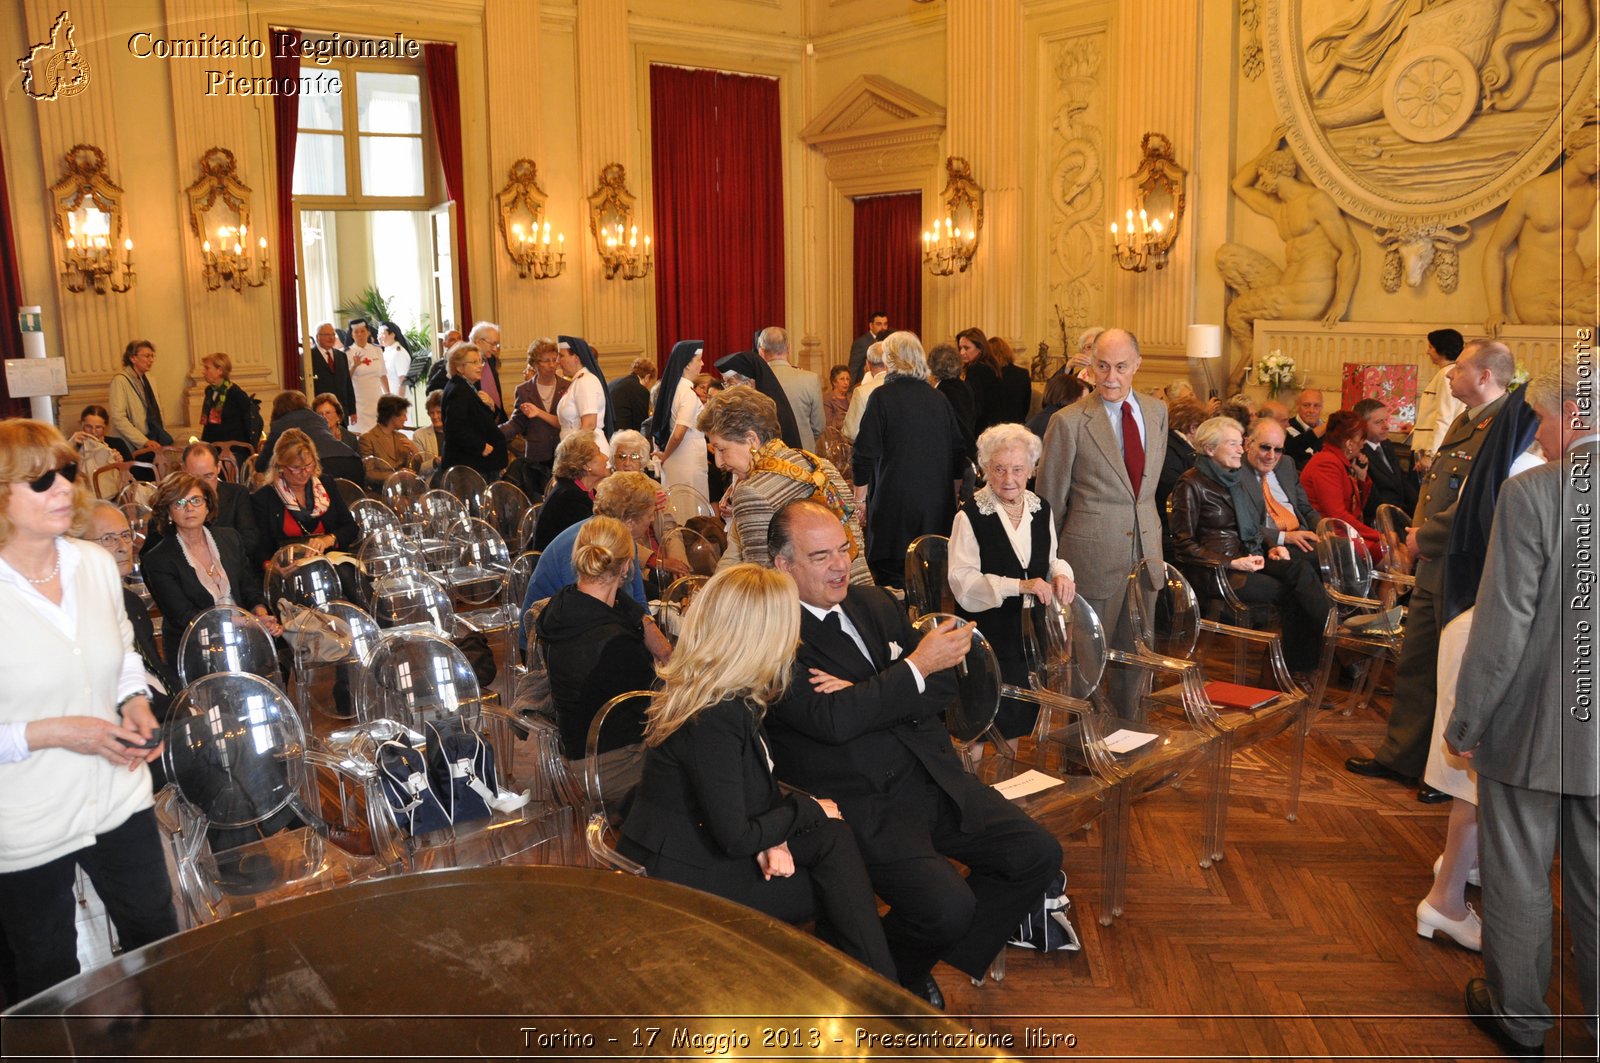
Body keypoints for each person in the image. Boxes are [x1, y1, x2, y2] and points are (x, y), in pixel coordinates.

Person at [766, 501, 1062, 1007]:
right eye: (820, 557)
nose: (840, 565)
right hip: (861, 799)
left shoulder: (874, 603)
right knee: (947, 906)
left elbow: (944, 682)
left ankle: (900, 962)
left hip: (931, 774)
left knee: (1036, 854)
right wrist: (908, 672)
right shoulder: (774, 633)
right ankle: (892, 969)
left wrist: (871, 688)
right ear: (783, 565)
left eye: (844, 549)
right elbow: (831, 723)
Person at [619, 562, 898, 982]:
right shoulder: (716, 714)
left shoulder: (720, 691)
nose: (797, 638)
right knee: (838, 880)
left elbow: (746, 790)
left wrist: (779, 834)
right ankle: (880, 1003)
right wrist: (802, 813)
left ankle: (866, 994)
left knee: (835, 842)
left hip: (696, 844)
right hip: (680, 880)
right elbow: (736, 836)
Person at [1446, 359, 1596, 1057]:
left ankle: (1522, 1017)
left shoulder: (1537, 493)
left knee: (1518, 873)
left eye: (1541, 417)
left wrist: (1466, 720)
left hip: (1534, 725)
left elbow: (1502, 626)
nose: (1539, 431)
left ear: (1575, 414)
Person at [0, 420, 177, 1001]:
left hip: (118, 791)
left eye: (67, 473)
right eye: (40, 480)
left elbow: (122, 648)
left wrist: (133, 703)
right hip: (25, 820)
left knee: (157, 940)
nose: (63, 489)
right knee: (45, 973)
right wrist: (52, 732)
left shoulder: (93, 564)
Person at [1347, 339, 1514, 802]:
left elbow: (1477, 504)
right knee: (1418, 662)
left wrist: (1425, 538)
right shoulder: (1467, 419)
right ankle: (1401, 756)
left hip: (1461, 565)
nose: (1448, 375)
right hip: (1436, 566)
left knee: (1451, 672)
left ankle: (1444, 775)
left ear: (1484, 376)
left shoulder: (1501, 427)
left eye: (1458, 368)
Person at [1415, 386, 1543, 957]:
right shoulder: (1538, 479)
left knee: (1477, 784)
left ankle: (1457, 873)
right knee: (1476, 779)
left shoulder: (1535, 471)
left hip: (1486, 633)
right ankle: (1444, 900)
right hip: (1487, 640)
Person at [1036, 327, 1167, 705]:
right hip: (1090, 560)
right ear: (1089, 366)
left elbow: (1145, 490)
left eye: (1121, 367)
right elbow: (1049, 502)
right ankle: (1080, 753)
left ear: (1137, 365)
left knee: (1139, 659)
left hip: (1146, 555)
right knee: (1086, 664)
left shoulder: (1157, 411)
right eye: (1102, 366)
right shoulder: (1069, 421)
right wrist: (1051, 565)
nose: (1110, 377)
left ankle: (1132, 744)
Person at [1168, 417, 1330, 675]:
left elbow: (1252, 528)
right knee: (1290, 593)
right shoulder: (1191, 483)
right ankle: (1297, 666)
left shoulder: (1234, 479)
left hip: (1248, 557)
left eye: (1240, 443)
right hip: (1216, 570)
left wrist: (1270, 547)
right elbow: (1183, 545)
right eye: (1233, 444)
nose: (1241, 450)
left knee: (1300, 570)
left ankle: (1324, 638)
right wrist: (1231, 562)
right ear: (1210, 449)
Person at [949, 423, 1076, 743]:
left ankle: (1007, 789)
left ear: (1031, 470)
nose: (1009, 479)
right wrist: (1018, 586)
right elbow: (963, 582)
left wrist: (1061, 573)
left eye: (1018, 469)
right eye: (999, 469)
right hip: (987, 633)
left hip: (1029, 635)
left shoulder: (1040, 508)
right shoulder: (970, 515)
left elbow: (1050, 559)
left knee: (1018, 719)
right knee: (981, 725)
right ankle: (975, 789)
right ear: (985, 469)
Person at [698, 386, 868, 582]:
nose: (718, 462)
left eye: (721, 449)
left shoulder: (752, 491)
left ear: (752, 440)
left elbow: (764, 583)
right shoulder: (821, 464)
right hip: (858, 600)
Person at [535, 516, 666, 763]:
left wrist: (644, 621)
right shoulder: (615, 643)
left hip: (575, 751)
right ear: (627, 566)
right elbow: (652, 711)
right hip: (614, 764)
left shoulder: (564, 603)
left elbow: (617, 603)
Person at [1219, 132, 1360, 352]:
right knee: (1227, 255)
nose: (1261, 180)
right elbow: (1239, 185)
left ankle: (1254, 360)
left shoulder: (1315, 200)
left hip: (1309, 292)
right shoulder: (1279, 208)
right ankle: (1262, 358)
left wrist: (1341, 302)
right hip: (1287, 286)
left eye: (1264, 174)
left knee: (1235, 312)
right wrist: (1269, 147)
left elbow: (1350, 249)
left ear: (1277, 173)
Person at [851, 332, 967, 588]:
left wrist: (859, 500)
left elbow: (864, 452)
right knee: (931, 579)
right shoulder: (939, 399)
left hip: (895, 505)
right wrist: (953, 494)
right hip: (936, 506)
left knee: (893, 581)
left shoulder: (882, 397)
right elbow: (959, 451)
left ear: (890, 360)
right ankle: (929, 625)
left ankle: (898, 626)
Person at [140, 473, 280, 668]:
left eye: (196, 500)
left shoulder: (230, 538)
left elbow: (249, 588)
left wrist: (261, 614)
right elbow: (185, 616)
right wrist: (246, 622)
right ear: (169, 512)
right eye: (179, 503)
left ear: (207, 505)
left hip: (243, 639)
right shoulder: (158, 559)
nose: (189, 508)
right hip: (196, 649)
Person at [1481, 119, 1599, 334]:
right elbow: (1495, 249)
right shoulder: (1532, 192)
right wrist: (1496, 311)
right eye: (1596, 149)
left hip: (1577, 287)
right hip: (1537, 293)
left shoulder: (1592, 193)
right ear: (1576, 148)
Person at [522, 473, 669, 630]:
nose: (652, 519)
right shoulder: (584, 542)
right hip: (549, 638)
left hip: (590, 626)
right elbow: (584, 610)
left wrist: (649, 632)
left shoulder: (623, 538)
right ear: (630, 522)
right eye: (649, 514)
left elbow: (637, 599)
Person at [86, 502, 177, 726]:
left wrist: (188, 700)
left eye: (125, 535)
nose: (122, 546)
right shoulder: (84, 610)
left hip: (165, 711)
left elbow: (156, 669)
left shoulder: (132, 602)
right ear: (81, 547)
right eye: (108, 538)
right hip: (131, 723)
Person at [249, 428, 361, 571]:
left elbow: (351, 528)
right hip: (289, 568)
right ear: (280, 466)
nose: (304, 473)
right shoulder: (265, 498)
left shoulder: (325, 484)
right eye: (296, 468)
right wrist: (270, 567)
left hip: (330, 563)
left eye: (308, 465)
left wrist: (328, 540)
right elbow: (258, 547)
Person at [145, 443, 261, 562]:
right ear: (183, 469)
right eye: (194, 477)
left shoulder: (237, 494)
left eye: (208, 476)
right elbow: (151, 552)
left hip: (231, 565)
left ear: (219, 467)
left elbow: (250, 541)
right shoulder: (170, 500)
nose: (202, 484)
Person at [1300, 410, 1383, 556]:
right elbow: (1337, 515)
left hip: (1341, 530)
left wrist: (1361, 478)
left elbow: (1356, 509)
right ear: (1349, 443)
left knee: (1393, 549)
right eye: (1361, 439)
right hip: (1331, 534)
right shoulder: (1326, 463)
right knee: (1389, 551)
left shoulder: (1338, 461)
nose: (1363, 445)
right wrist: (1378, 535)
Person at [500, 339, 568, 500]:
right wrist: (493, 433)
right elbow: (517, 423)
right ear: (535, 364)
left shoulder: (567, 386)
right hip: (537, 457)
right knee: (537, 500)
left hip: (563, 452)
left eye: (554, 360)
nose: (552, 365)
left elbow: (568, 421)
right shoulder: (524, 390)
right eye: (546, 361)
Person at [1243, 417, 1320, 554]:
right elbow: (1245, 525)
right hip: (1271, 545)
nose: (1271, 456)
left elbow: (1305, 508)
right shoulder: (1236, 472)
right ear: (1248, 444)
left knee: (1343, 547)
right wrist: (1285, 537)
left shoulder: (1286, 464)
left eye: (1278, 450)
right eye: (1265, 447)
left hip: (1301, 535)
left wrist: (1323, 528)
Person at [256, 390, 363, 485]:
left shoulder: (280, 425)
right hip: (351, 460)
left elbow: (262, 465)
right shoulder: (318, 419)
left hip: (319, 466)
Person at [651, 340, 710, 500]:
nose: (702, 364)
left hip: (680, 458)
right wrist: (665, 455)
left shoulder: (677, 388)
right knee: (690, 509)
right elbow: (678, 433)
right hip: (686, 459)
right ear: (687, 364)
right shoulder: (687, 393)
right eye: (699, 360)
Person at [440, 342, 507, 481]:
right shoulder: (458, 390)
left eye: (480, 361)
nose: (480, 366)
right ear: (459, 367)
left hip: (477, 463)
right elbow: (454, 428)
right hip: (470, 464)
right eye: (474, 362)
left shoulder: (467, 385)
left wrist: (491, 407)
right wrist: (480, 446)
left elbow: (477, 419)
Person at [530, 434, 609, 552]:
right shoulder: (570, 498)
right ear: (586, 465)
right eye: (599, 453)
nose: (606, 457)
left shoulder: (580, 490)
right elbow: (590, 546)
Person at [716, 349, 804, 450]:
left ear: (749, 384)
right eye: (725, 384)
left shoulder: (772, 412)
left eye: (730, 384)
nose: (727, 390)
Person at [760, 327, 825, 454]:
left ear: (761, 351)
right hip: (803, 455)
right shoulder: (810, 379)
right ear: (789, 348)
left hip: (768, 457)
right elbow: (818, 426)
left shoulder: (755, 382)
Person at [107, 339, 173, 460]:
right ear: (133, 358)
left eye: (152, 356)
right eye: (147, 356)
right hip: (133, 443)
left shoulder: (150, 379)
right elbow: (118, 417)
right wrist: (143, 441)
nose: (151, 360)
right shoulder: (120, 381)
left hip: (152, 438)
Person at [1411, 328, 1465, 473]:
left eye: (1430, 347)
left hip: (1436, 449)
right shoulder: (1449, 372)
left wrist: (1431, 454)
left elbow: (1445, 416)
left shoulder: (1446, 374)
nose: (1427, 352)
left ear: (1441, 348)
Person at [1354, 398, 1417, 521]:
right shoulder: (1359, 453)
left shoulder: (1386, 444)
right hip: (1381, 519)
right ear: (1361, 425)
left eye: (1386, 420)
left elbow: (1402, 482)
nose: (1386, 426)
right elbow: (1371, 499)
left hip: (1402, 515)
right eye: (1378, 422)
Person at [1156, 396, 1206, 537]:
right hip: (1170, 527)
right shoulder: (1172, 449)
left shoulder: (1171, 443)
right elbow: (1175, 489)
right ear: (1193, 428)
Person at [555, 336, 611, 456]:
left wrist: (574, 454)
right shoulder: (577, 381)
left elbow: (589, 424)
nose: (557, 361)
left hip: (588, 454)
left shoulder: (586, 381)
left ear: (576, 358)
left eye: (562, 355)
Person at [927, 342, 977, 460]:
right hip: (968, 451)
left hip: (953, 456)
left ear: (932, 367)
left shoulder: (940, 392)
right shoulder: (965, 386)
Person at [197, 351, 255, 452]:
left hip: (233, 450)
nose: (203, 372)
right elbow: (209, 424)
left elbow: (249, 421)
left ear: (220, 370)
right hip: (214, 447)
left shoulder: (235, 393)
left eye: (207, 368)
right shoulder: (209, 391)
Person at [343, 318, 389, 433]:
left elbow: (383, 374)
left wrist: (388, 396)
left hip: (376, 399)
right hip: (359, 403)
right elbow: (345, 379)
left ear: (368, 332)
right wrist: (354, 366)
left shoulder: (377, 350)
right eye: (356, 332)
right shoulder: (347, 353)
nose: (360, 334)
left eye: (363, 331)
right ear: (352, 335)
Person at [955, 327, 1002, 435]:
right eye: (960, 348)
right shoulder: (991, 366)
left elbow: (975, 406)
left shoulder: (976, 369)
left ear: (980, 348)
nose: (962, 352)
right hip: (992, 426)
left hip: (981, 429)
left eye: (967, 348)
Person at [359, 395, 420, 477]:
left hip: (404, 487)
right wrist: (397, 475)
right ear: (393, 416)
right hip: (379, 489)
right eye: (404, 415)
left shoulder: (402, 437)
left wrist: (415, 451)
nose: (406, 419)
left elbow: (415, 469)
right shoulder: (367, 439)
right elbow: (369, 474)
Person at [308, 322, 356, 425]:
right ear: (317, 337)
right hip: (321, 413)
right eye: (327, 335)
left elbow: (348, 384)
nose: (331, 338)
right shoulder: (309, 357)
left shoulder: (341, 355)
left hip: (341, 412)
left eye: (333, 335)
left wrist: (352, 410)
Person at [841, 341, 886, 443]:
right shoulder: (904, 387)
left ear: (868, 364)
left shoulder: (862, 392)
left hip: (873, 454)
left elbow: (851, 433)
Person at [1025, 371, 1088, 439]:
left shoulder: (1041, 419)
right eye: (1084, 400)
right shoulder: (1058, 423)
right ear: (1070, 397)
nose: (1087, 406)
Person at [988, 335, 1033, 426]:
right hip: (1017, 424)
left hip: (993, 426)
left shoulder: (987, 375)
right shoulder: (1023, 373)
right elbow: (1026, 405)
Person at [609, 356, 656, 434]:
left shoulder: (613, 383)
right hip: (624, 437)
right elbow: (641, 424)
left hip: (608, 433)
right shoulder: (640, 390)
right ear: (647, 377)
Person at [1283, 388, 1325, 469]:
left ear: (1322, 407)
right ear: (1297, 406)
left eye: (1316, 406)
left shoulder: (1329, 430)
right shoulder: (1287, 427)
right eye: (1306, 405)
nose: (1311, 410)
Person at [848, 309, 888, 387]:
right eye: (879, 324)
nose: (883, 327)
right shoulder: (862, 342)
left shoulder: (888, 340)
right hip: (865, 385)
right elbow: (853, 368)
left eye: (885, 324)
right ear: (871, 325)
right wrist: (849, 391)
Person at [413, 390, 444, 475]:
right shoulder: (419, 435)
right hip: (431, 483)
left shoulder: (457, 433)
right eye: (431, 413)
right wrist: (434, 462)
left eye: (439, 412)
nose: (435, 416)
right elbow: (418, 470)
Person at [823, 364, 851, 434]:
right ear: (834, 382)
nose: (846, 383)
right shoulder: (827, 399)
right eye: (842, 379)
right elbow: (829, 424)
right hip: (836, 437)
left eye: (847, 379)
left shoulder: (852, 396)